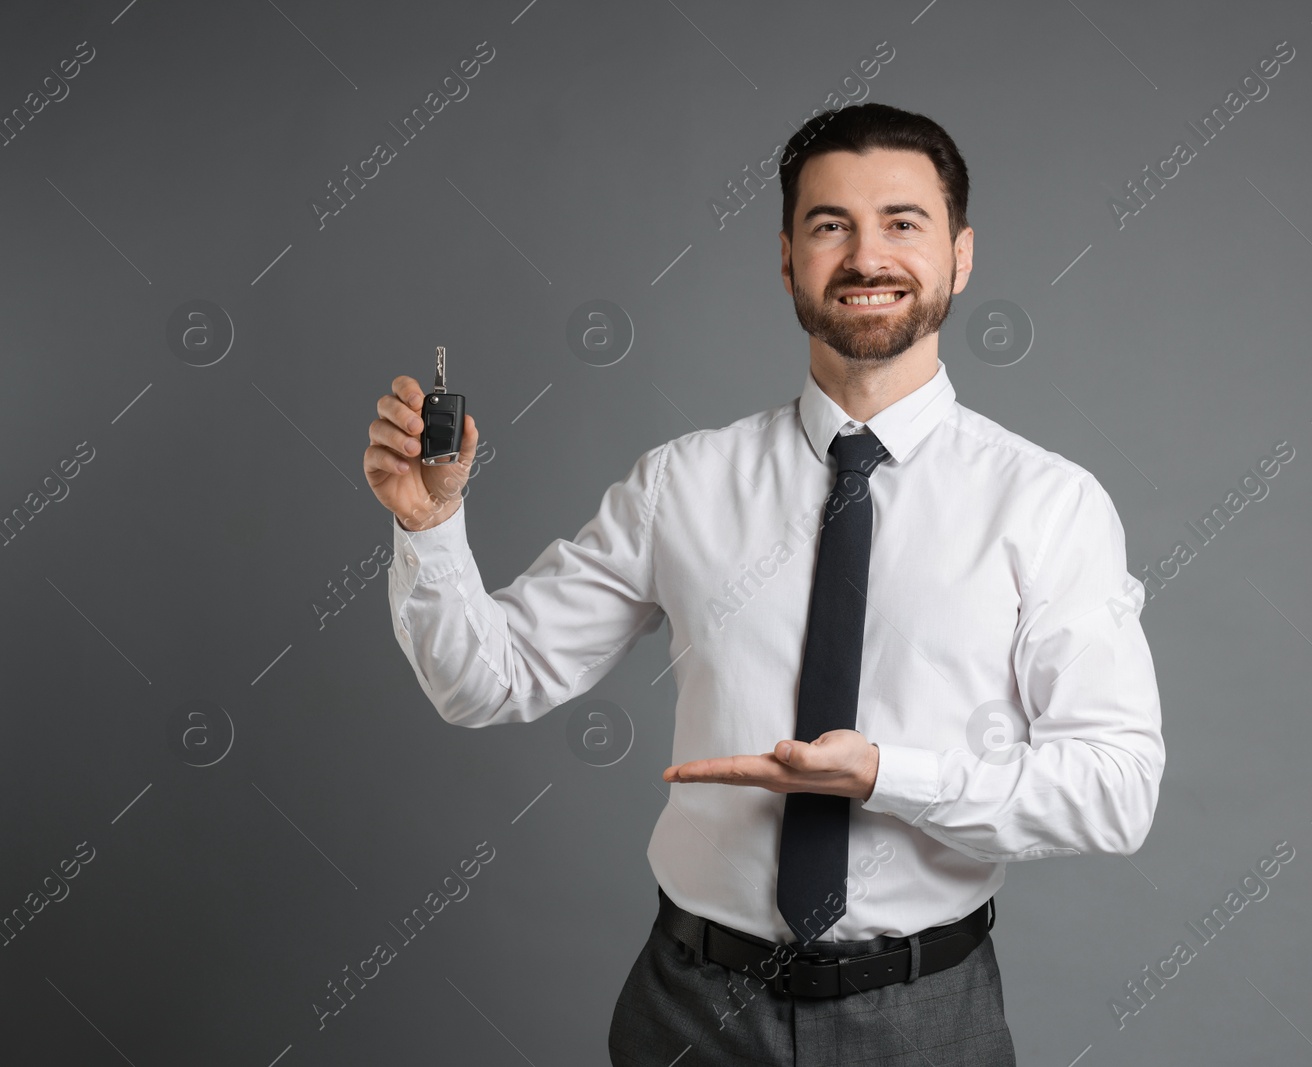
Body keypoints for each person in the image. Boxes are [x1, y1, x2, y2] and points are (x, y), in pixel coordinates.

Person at [364, 101, 1164, 1066]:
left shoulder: (1048, 504)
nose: (867, 257)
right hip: (691, 1012)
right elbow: (487, 681)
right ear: (787, 258)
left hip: (926, 1020)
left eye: (902, 222)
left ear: (960, 255)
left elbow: (1117, 790)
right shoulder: (681, 484)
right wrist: (429, 524)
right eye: (831, 225)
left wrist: (882, 775)